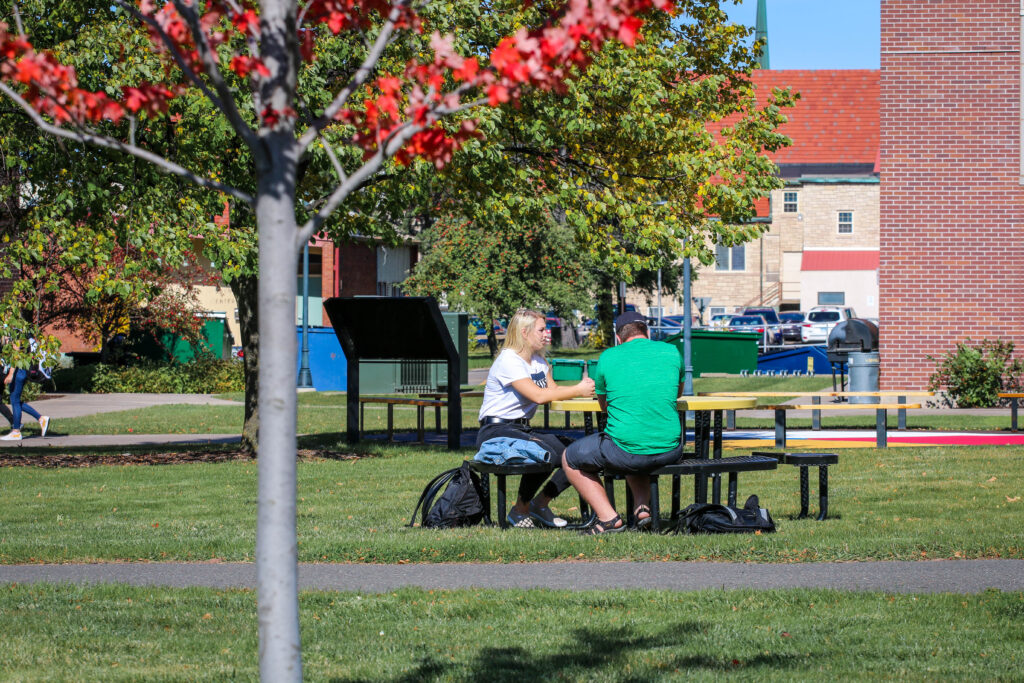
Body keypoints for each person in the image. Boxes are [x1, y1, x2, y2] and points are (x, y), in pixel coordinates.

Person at [563, 311, 683, 534]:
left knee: (570, 458)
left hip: (625, 448)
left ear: (619, 338)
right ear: (647, 332)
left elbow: (604, 405)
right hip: (670, 448)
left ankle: (609, 518)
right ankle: (642, 509)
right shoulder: (671, 351)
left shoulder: (609, 356)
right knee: (634, 446)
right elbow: (676, 392)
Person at [476, 308, 595, 528]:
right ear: (524, 332)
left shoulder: (538, 361)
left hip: (522, 430)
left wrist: (592, 394)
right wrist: (578, 389)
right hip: (495, 431)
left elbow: (554, 391)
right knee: (544, 452)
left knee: (579, 452)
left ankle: (540, 504)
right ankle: (519, 510)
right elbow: (539, 396)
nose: (546, 334)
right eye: (541, 329)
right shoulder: (509, 361)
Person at [1, 337, 50, 441]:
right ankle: (41, 419)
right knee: (16, 401)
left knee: (14, 401)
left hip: (19, 371)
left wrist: (10, 373)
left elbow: (16, 355)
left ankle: (16, 431)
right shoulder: (20, 333)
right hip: (21, 371)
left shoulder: (16, 334)